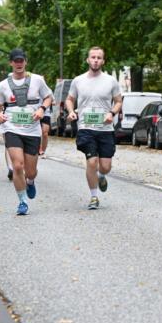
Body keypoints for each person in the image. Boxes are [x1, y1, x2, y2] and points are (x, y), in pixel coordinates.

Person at [0, 48, 52, 215]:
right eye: (16, 61)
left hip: (32, 130)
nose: (19, 64)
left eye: (21, 61)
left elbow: (48, 97)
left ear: (25, 62)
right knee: (17, 166)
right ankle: (22, 201)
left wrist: (41, 109)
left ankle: (30, 181)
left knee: (30, 171)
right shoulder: (3, 85)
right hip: (12, 128)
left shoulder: (37, 80)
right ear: (11, 63)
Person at [65, 46, 122, 210]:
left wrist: (111, 113)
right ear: (88, 60)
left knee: (105, 166)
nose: (96, 60)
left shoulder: (110, 81)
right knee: (92, 162)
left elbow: (118, 101)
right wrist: (71, 111)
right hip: (86, 128)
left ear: (103, 61)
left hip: (105, 129)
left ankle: (102, 175)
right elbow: (69, 99)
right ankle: (94, 197)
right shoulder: (78, 80)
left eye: (99, 58)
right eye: (93, 57)